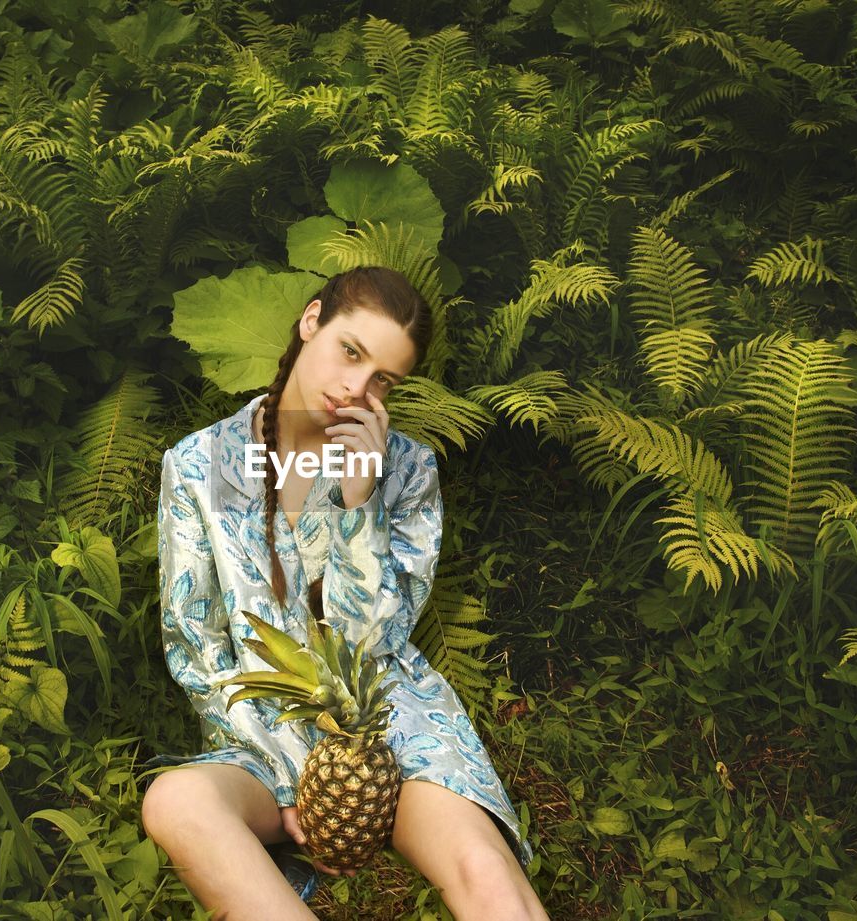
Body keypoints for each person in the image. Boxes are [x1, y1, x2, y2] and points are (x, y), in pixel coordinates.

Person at [141, 266, 550, 921]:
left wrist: (360, 506)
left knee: (491, 880)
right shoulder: (197, 465)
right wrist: (291, 784)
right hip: (260, 742)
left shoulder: (407, 469)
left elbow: (371, 642)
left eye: (383, 378)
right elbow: (199, 646)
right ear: (311, 321)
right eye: (350, 351)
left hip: (387, 726)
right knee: (174, 801)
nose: (356, 388)